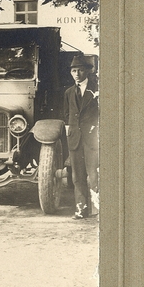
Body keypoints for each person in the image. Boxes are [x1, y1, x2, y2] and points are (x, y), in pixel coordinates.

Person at [65, 54, 100, 220]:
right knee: (77, 177)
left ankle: (98, 210)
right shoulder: (68, 93)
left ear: (87, 71)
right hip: (75, 139)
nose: (77, 73)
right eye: (73, 70)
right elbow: (67, 115)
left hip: (93, 138)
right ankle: (81, 210)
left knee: (94, 175)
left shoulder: (98, 89)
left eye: (80, 70)